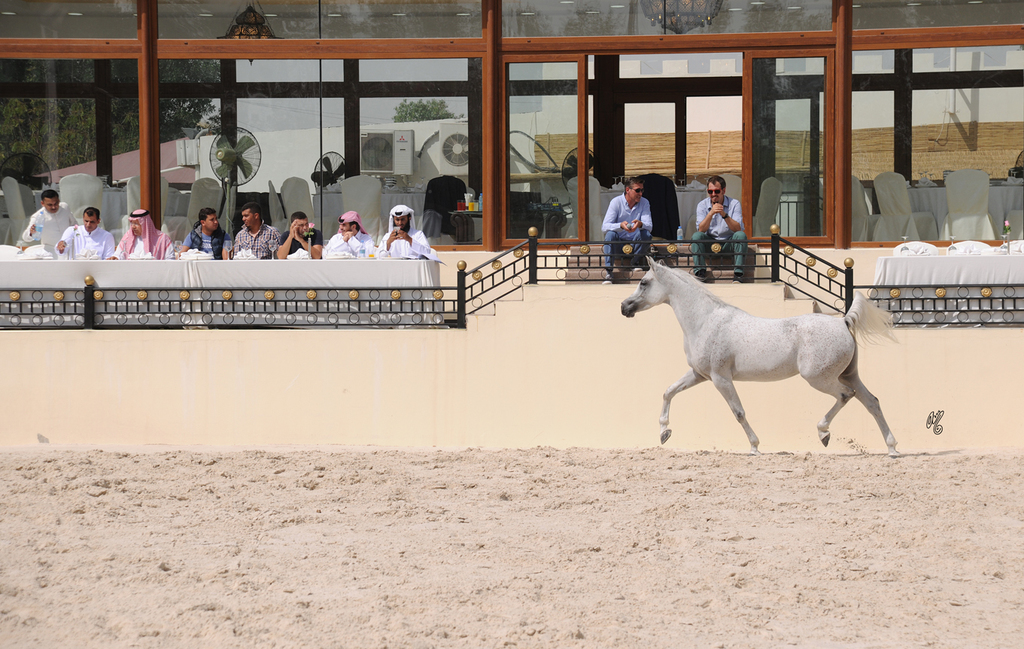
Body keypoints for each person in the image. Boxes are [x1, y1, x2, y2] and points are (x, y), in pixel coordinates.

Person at [690, 175, 747, 283]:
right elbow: (701, 230)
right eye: (710, 191)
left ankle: (738, 275)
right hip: (710, 243)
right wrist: (711, 213)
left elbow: (738, 228)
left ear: (723, 190)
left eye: (717, 191)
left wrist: (723, 214)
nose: (713, 194)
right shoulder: (702, 205)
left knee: (741, 236)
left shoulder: (734, 204)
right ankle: (700, 273)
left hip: (729, 243)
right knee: (696, 236)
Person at [601, 177, 652, 284]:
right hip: (618, 244)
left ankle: (635, 263)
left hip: (635, 244)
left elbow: (649, 226)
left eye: (642, 190)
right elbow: (604, 227)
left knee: (646, 234)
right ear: (628, 190)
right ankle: (609, 273)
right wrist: (620, 225)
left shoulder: (644, 202)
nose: (641, 194)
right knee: (610, 235)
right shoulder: (616, 202)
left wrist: (640, 224)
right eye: (637, 190)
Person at [22, 189, 77, 255]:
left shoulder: (65, 207)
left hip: (69, 249)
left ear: (59, 201)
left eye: (56, 203)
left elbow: (74, 225)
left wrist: (77, 236)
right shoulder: (38, 216)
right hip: (50, 252)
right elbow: (25, 238)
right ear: (42, 203)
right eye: (50, 205)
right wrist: (31, 233)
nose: (53, 207)